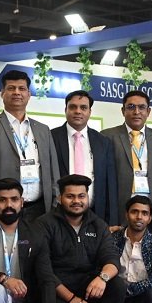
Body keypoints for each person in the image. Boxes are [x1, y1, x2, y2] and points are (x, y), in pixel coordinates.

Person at [37, 174, 124, 303]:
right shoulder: (44, 224)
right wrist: (72, 299)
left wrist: (102, 278)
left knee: (117, 285)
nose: (76, 201)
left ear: (87, 197)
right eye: (70, 196)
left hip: (85, 289)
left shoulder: (98, 225)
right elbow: (44, 271)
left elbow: (112, 259)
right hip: (55, 292)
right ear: (60, 198)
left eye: (81, 196)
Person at [0, 69, 60, 221]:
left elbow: (53, 172)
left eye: (22, 88)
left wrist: (55, 207)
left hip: (40, 210)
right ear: (2, 93)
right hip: (3, 211)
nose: (17, 92)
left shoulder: (43, 130)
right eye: (11, 88)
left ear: (29, 94)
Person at [102, 90, 152, 232]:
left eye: (141, 107)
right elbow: (103, 180)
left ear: (148, 111)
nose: (136, 112)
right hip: (120, 212)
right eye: (131, 107)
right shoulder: (108, 136)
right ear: (123, 111)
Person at [51, 90, 119, 225]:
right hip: (59, 213)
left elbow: (109, 183)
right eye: (73, 107)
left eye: (83, 108)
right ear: (65, 110)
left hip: (95, 213)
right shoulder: (51, 137)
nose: (78, 111)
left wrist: (111, 220)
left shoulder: (103, 142)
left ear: (89, 112)